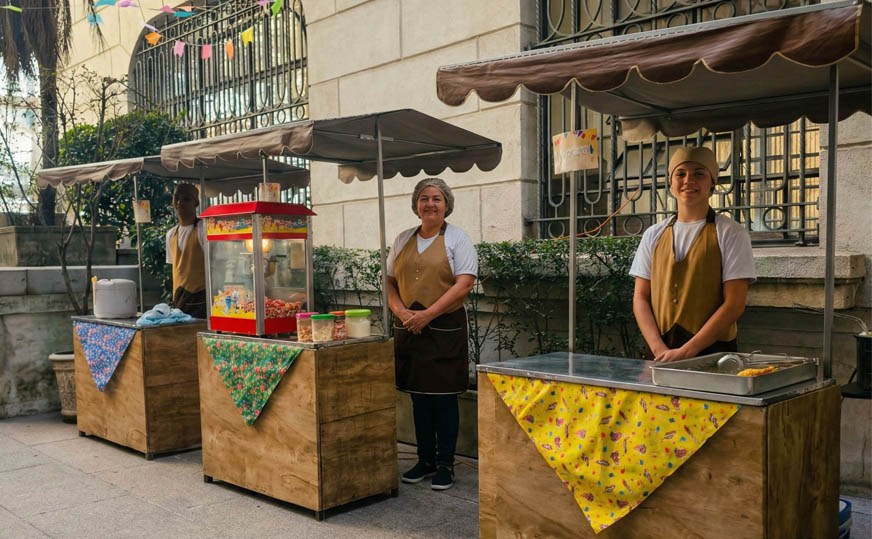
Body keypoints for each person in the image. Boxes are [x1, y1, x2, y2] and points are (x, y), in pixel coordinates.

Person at [387, 177, 477, 491]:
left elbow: (464, 284)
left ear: (446, 205)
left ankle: (445, 465)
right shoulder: (401, 239)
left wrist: (426, 315)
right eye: (424, 198)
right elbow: (389, 282)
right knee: (418, 398)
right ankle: (424, 459)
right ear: (416, 205)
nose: (430, 204)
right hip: (409, 329)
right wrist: (401, 313)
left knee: (443, 400)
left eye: (436, 198)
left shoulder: (458, 239)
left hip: (443, 329)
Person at [630, 146, 756, 362]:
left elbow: (734, 303)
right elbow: (641, 297)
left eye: (699, 173)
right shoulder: (653, 235)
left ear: (712, 183)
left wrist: (688, 350)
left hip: (712, 354)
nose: (689, 180)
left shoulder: (730, 233)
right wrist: (658, 348)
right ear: (671, 183)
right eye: (681, 174)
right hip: (659, 353)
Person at [165, 182, 207, 318]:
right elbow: (177, 270)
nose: (179, 202)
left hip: (200, 300)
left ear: (196, 203)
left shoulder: (203, 230)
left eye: (186, 199)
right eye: (176, 197)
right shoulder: (171, 234)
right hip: (179, 301)